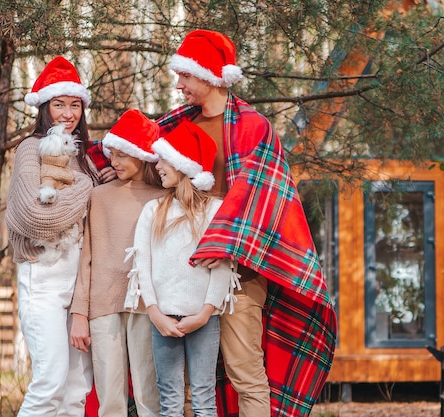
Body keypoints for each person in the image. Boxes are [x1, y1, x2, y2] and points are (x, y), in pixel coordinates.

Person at [157, 30, 337, 417]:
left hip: (241, 273)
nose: (179, 84)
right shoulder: (174, 126)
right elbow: (138, 160)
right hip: (183, 271)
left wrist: (219, 242)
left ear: (207, 74)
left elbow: (259, 202)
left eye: (185, 75)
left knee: (245, 373)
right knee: (186, 379)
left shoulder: (253, 127)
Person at [5, 56, 103, 416]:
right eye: (59, 104)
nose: (68, 113)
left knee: (77, 389)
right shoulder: (31, 148)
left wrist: (89, 183)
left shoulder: (85, 159)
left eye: (74, 104)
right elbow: (37, 220)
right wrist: (86, 189)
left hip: (77, 286)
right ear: (44, 107)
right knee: (49, 383)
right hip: (43, 279)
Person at [126, 121, 236, 417]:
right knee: (170, 399)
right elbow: (142, 266)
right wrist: (154, 312)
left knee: (203, 397)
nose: (157, 165)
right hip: (162, 319)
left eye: (163, 159)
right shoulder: (153, 211)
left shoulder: (214, 211)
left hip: (204, 318)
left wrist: (204, 313)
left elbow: (222, 268)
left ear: (182, 165)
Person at [69, 109, 165, 417]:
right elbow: (87, 259)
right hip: (102, 305)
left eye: (124, 156)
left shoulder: (162, 198)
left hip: (145, 304)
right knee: (110, 396)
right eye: (114, 154)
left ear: (142, 156)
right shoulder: (98, 197)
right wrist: (80, 313)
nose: (115, 162)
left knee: (149, 390)